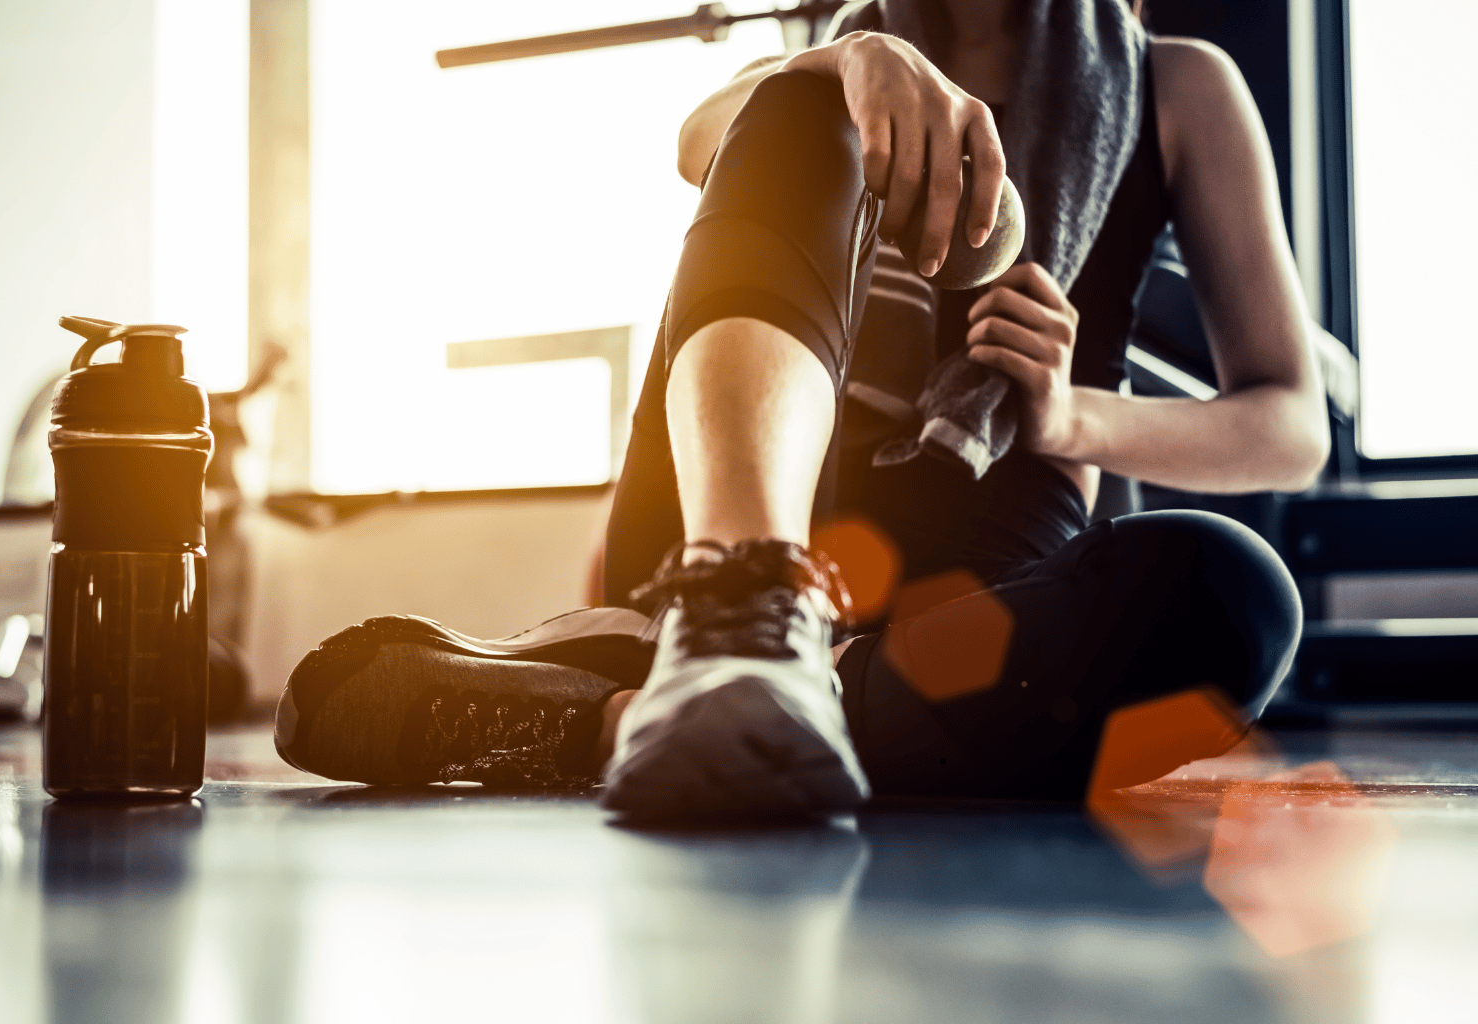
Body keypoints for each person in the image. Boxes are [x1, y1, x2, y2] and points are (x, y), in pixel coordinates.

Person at [275, 0, 1323, 817]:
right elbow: (697, 140)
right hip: (733, 526)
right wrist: (839, 64)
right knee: (795, 104)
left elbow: (1289, 425)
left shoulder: (1178, 86)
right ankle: (744, 622)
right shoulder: (826, 67)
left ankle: (632, 717)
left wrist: (1067, 420)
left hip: (962, 603)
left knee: (1233, 599)